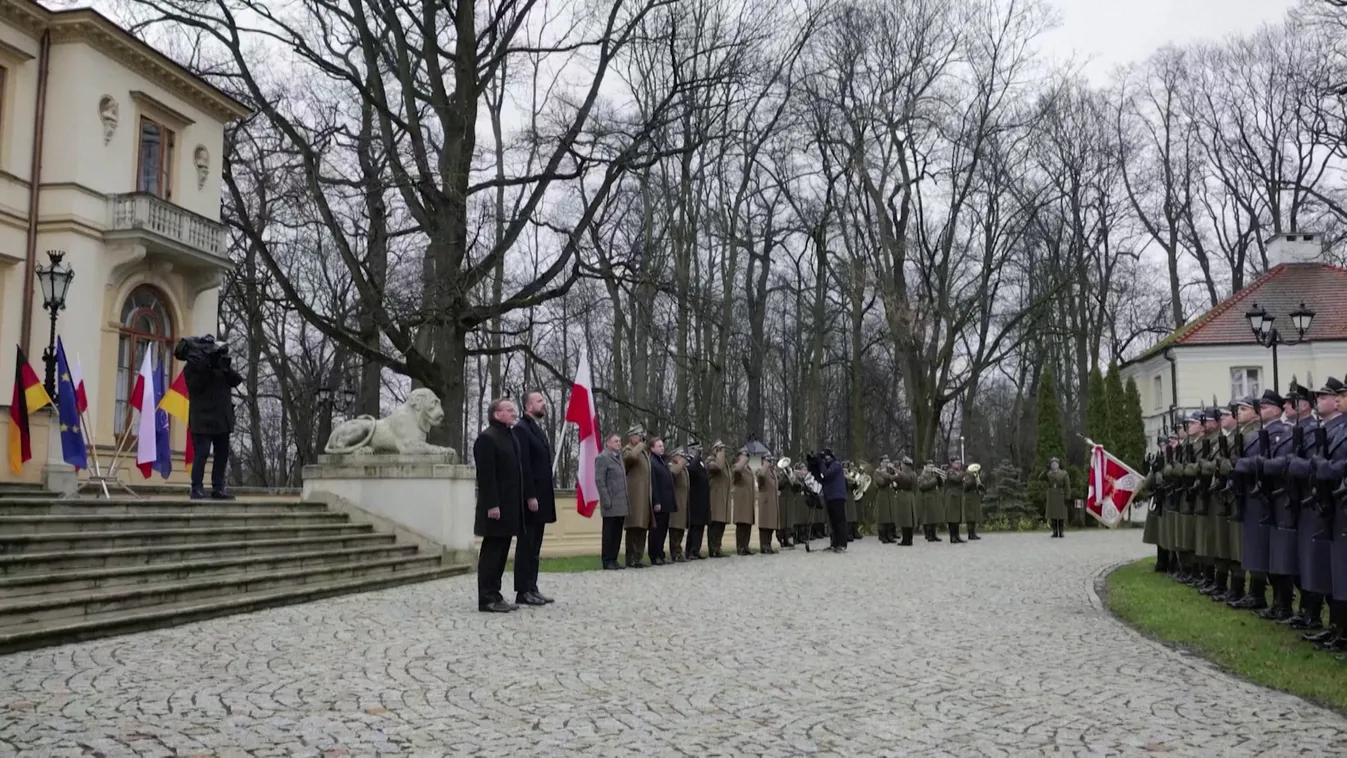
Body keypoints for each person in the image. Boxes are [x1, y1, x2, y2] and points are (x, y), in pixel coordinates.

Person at [473, 398, 528, 613]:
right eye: (509, 410)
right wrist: (492, 505)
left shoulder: (510, 437)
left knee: (502, 551)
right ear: (497, 414)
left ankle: (495, 594)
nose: (514, 413)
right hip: (495, 508)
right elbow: (487, 476)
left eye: (514, 409)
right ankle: (486, 597)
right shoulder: (487, 438)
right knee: (491, 552)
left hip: (509, 507)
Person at [1232, 391, 1284, 611]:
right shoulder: (1259, 433)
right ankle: (1257, 594)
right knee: (1255, 547)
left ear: (1278, 409)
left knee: (1265, 548)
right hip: (1252, 493)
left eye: (1266, 406)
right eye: (1260, 406)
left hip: (1266, 495)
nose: (1262, 408)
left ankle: (1269, 597)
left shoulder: (1279, 432)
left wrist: (1243, 464)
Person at [178, 334, 244, 500]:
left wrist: (224, 366)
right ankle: (196, 487)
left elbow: (236, 380)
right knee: (202, 452)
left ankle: (218, 487)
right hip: (202, 418)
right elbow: (197, 386)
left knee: (222, 454)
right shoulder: (191, 368)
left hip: (221, 417)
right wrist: (205, 366)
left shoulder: (220, 365)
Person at [512, 391, 556, 606]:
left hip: (542, 496)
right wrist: (530, 494)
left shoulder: (535, 428)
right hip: (531, 498)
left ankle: (532, 586)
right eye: (539, 401)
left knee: (535, 546)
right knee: (526, 545)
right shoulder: (521, 429)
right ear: (528, 406)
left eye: (544, 401)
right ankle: (522, 590)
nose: (544, 404)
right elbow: (524, 466)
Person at [594, 433, 629, 571]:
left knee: (617, 533)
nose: (619, 444)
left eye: (620, 441)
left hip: (621, 503)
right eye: (615, 441)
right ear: (608, 443)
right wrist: (606, 500)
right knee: (609, 533)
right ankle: (607, 560)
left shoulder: (619, 457)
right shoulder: (602, 458)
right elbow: (599, 481)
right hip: (610, 502)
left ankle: (613, 559)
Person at [622, 426, 653, 568]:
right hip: (634, 496)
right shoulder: (628, 449)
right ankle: (631, 558)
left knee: (642, 527)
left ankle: (639, 557)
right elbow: (630, 458)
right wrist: (641, 446)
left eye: (641, 436)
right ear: (631, 437)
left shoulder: (643, 452)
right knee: (634, 527)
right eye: (637, 435)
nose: (640, 438)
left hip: (645, 495)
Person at [647, 438, 676, 565]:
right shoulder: (652, 462)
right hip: (659, 501)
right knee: (656, 531)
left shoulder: (663, 461)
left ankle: (661, 554)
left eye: (662, 446)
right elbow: (653, 483)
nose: (662, 448)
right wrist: (656, 501)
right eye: (659, 446)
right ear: (652, 448)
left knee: (663, 529)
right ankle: (655, 555)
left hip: (667, 501)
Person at [813, 448, 848, 552]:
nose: (825, 459)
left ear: (831, 457)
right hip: (830, 496)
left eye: (826, 457)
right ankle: (834, 543)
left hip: (838, 496)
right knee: (832, 522)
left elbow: (826, 474)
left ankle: (842, 544)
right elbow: (821, 478)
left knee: (839, 521)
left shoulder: (836, 464)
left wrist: (821, 463)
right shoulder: (828, 465)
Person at [685, 442, 710, 560]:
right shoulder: (690, 462)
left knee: (700, 526)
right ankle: (690, 550)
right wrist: (695, 457)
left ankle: (696, 549)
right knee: (694, 527)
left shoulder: (700, 462)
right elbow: (692, 472)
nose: (699, 452)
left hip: (702, 498)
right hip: (693, 498)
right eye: (696, 449)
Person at [707, 441, 732, 558]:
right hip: (715, 497)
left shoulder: (724, 462)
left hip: (723, 497)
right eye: (720, 449)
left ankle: (718, 546)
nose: (723, 451)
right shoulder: (710, 460)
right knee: (715, 523)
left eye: (723, 449)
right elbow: (718, 468)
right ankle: (713, 548)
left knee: (721, 523)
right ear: (715, 449)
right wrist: (719, 455)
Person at [731, 449, 756, 555]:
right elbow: (736, 471)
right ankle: (740, 547)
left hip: (748, 501)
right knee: (741, 525)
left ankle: (746, 546)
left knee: (748, 525)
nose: (747, 457)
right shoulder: (736, 467)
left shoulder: (749, 470)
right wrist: (742, 461)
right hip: (741, 502)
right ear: (739, 457)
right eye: (744, 455)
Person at [755, 454, 781, 554]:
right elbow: (760, 476)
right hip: (765, 503)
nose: (771, 462)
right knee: (765, 526)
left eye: (772, 460)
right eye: (768, 460)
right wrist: (765, 465)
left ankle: (768, 545)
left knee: (770, 526)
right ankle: (764, 545)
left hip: (772, 502)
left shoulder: (772, 472)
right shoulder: (761, 471)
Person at [668, 447, 690, 562]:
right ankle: (674, 553)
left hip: (683, 502)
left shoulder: (683, 468)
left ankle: (679, 551)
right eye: (680, 455)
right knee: (675, 529)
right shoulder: (672, 466)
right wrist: (681, 463)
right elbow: (672, 473)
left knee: (681, 528)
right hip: (676, 502)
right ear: (674, 456)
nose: (683, 458)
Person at [1044, 458, 1070, 538]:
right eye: (1052, 464)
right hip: (1052, 495)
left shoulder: (1063, 474)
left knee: (1061, 515)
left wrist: (1067, 496)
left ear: (1058, 465)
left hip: (1060, 495)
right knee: (1053, 516)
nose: (1054, 466)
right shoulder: (1049, 474)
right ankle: (1055, 531)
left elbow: (1067, 486)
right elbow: (1040, 478)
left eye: (1055, 464)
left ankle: (1061, 531)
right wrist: (1045, 470)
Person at [894, 457, 917, 546]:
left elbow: (903, 483)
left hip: (904, 497)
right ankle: (909, 539)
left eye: (903, 464)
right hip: (910, 496)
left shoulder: (905, 474)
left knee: (905, 519)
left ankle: (905, 540)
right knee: (909, 520)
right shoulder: (913, 474)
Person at [943, 459, 965, 544]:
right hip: (952, 496)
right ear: (952, 464)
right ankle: (952, 537)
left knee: (957, 517)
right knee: (952, 517)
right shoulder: (950, 472)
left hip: (958, 495)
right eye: (956, 463)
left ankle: (957, 536)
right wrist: (963, 473)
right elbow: (956, 479)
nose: (958, 465)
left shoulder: (958, 472)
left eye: (959, 463)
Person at [962, 462, 984, 541]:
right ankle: (970, 534)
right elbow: (965, 487)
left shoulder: (974, 476)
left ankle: (973, 533)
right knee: (970, 516)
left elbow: (978, 486)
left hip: (974, 496)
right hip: (969, 497)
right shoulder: (966, 476)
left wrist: (979, 483)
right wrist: (973, 480)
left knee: (974, 516)